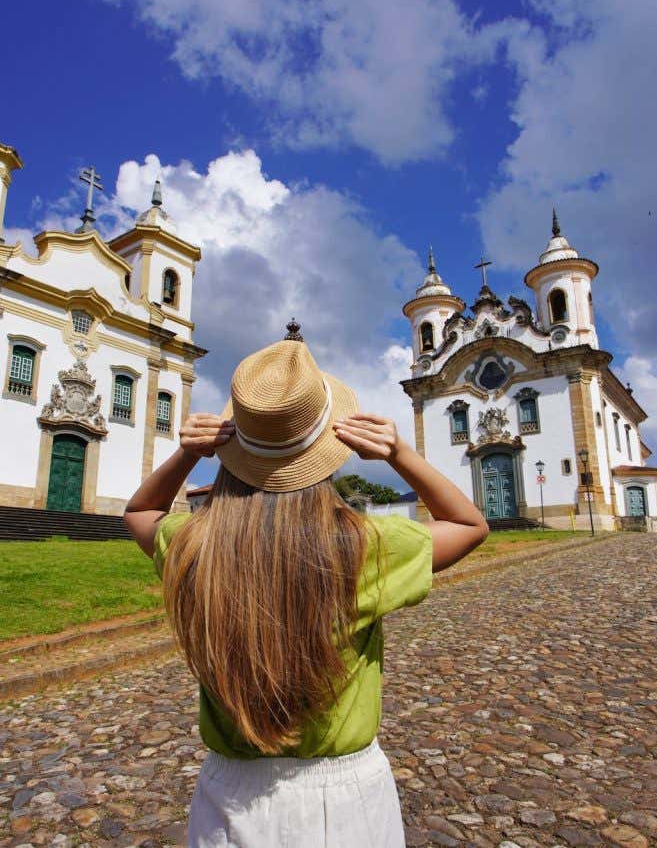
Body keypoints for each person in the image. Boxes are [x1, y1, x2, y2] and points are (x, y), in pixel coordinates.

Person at [124, 337, 489, 847]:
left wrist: (187, 455)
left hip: (228, 796)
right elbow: (469, 524)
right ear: (328, 449)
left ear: (231, 447)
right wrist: (400, 454)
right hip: (344, 800)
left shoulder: (193, 546)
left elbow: (139, 513)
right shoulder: (365, 548)